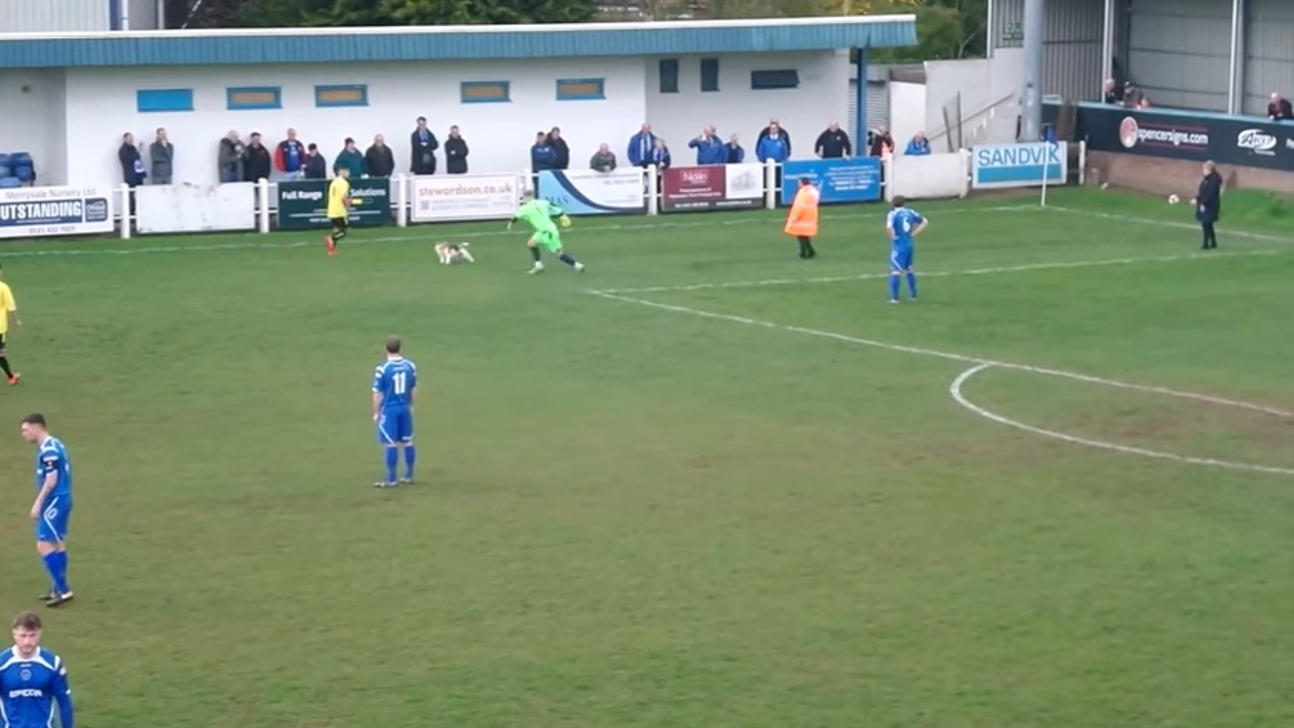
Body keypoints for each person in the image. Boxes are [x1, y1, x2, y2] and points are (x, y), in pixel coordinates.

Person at [20, 414, 74, 606]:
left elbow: (51, 480)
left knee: (44, 545)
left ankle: (63, 590)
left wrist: (38, 503)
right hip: (62, 499)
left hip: (55, 501)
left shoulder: (49, 449)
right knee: (57, 543)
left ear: (37, 427)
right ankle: (56, 588)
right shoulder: (55, 443)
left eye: (26, 430)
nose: (23, 434)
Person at [0, 612, 74, 728]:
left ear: (40, 633)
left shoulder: (52, 663)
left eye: (32, 635)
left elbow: (63, 700)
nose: (27, 642)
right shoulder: (2, 664)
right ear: (14, 634)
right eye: (23, 635)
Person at [371, 336, 418, 488]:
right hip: (404, 406)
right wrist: (411, 405)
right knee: (407, 441)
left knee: (390, 443)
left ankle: (391, 479)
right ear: (400, 348)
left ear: (385, 348)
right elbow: (413, 388)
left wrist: (376, 412)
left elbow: (378, 393)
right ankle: (408, 475)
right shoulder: (410, 366)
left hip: (390, 409)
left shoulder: (383, 369)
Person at [508, 195, 584, 275]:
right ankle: (538, 265)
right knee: (531, 244)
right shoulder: (542, 202)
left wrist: (510, 224)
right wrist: (562, 215)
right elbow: (554, 206)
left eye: (523, 199)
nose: (522, 201)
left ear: (527, 198)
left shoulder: (524, 208)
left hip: (547, 233)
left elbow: (516, 217)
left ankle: (577, 265)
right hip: (545, 230)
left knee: (559, 254)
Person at [885, 195, 927, 303]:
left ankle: (894, 298)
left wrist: (892, 238)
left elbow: (889, 227)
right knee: (909, 269)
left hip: (899, 246)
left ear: (893, 203)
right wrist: (914, 234)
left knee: (895, 271)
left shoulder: (893, 214)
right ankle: (913, 296)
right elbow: (925, 222)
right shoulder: (910, 212)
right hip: (909, 244)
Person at [783, 177, 820, 259]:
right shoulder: (813, 191)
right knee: (805, 236)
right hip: (811, 215)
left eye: (799, 182)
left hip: (802, 217)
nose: (798, 184)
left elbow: (800, 206)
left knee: (801, 236)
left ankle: (803, 253)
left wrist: (794, 217)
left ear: (802, 183)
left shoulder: (803, 193)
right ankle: (811, 251)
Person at [1191, 160, 1223, 250]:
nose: (1203, 171)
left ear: (1209, 169)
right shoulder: (1207, 180)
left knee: (1206, 223)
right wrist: (1197, 199)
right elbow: (1203, 192)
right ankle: (1213, 242)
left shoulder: (1213, 180)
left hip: (1211, 205)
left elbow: (1211, 194)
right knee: (1208, 224)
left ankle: (1206, 244)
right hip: (1207, 204)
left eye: (1204, 168)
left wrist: (1203, 203)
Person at [323, 166, 351, 257]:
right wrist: (347, 205)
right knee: (343, 232)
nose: (348, 173)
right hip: (339, 210)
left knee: (336, 229)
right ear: (341, 172)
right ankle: (331, 238)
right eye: (347, 171)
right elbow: (343, 197)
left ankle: (331, 250)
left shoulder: (334, 182)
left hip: (332, 209)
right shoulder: (344, 183)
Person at [0, 261, 21, 385]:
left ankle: (11, 376)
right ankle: (11, 377)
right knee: (0, 354)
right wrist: (16, 321)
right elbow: (11, 307)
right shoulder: (3, 288)